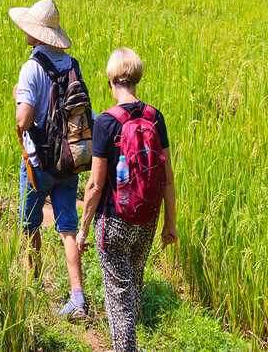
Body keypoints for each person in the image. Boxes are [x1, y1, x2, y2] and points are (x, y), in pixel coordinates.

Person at [76, 47, 177, 351]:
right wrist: (170, 223)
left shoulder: (106, 122)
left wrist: (82, 231)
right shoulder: (155, 117)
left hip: (114, 220)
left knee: (117, 300)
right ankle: (130, 342)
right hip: (147, 217)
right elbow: (168, 177)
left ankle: (125, 346)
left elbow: (94, 184)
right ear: (137, 79)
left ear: (110, 81)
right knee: (134, 284)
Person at [10, 0, 87, 319]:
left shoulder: (31, 68)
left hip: (38, 162)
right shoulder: (73, 65)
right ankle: (78, 299)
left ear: (37, 34)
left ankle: (34, 283)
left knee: (29, 225)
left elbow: (24, 121)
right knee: (68, 228)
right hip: (70, 159)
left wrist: (17, 98)